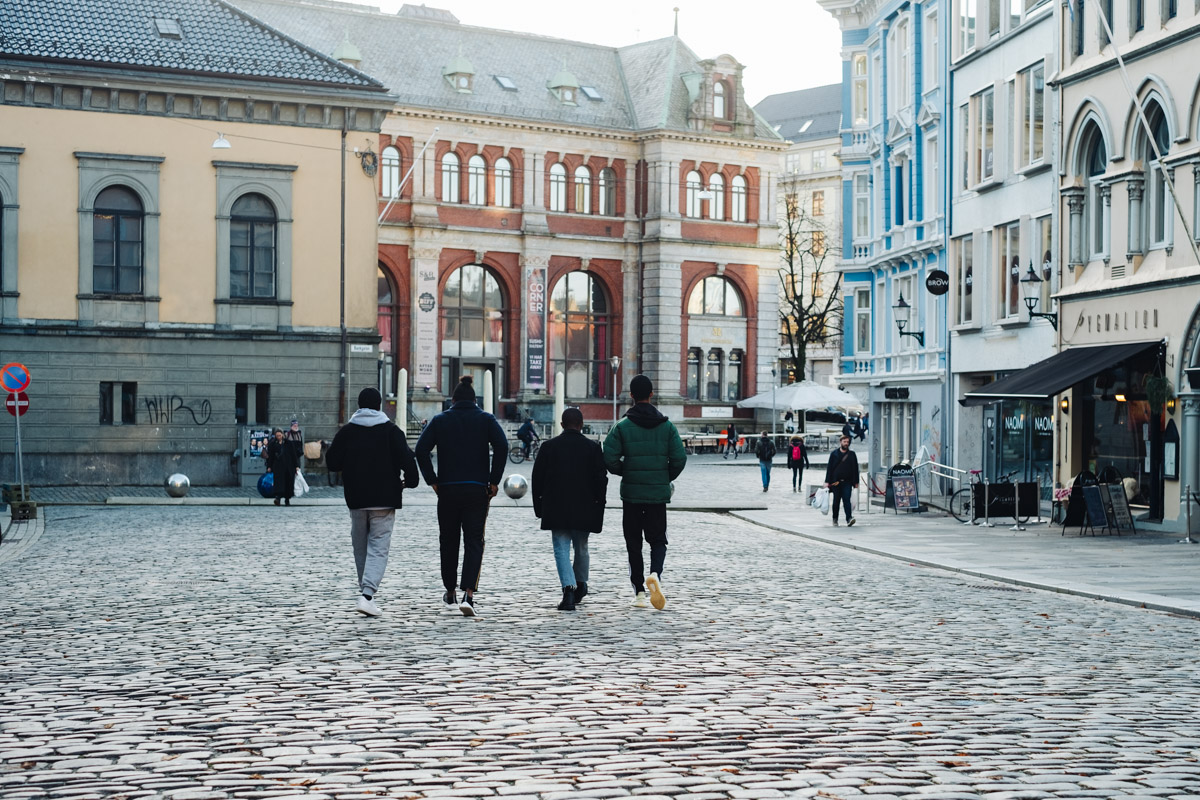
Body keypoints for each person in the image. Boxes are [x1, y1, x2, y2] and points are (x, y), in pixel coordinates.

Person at [415, 376, 508, 617]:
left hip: (447, 489)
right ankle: (468, 593)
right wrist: (494, 480)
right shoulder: (486, 419)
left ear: (453, 400)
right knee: (475, 540)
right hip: (477, 489)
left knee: (448, 540)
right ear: (475, 400)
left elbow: (420, 450)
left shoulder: (440, 420)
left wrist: (432, 480)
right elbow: (502, 446)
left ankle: (449, 591)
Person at [325, 388, 420, 617]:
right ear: (379, 405)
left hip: (356, 499)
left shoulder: (347, 431)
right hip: (384, 499)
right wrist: (411, 482)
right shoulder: (391, 431)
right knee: (378, 548)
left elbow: (332, 462)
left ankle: (366, 594)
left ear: (359, 405)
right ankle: (367, 595)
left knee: (360, 549)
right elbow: (408, 460)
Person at [603, 375, 687, 611]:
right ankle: (655, 574)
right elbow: (680, 458)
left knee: (633, 543)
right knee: (658, 540)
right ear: (652, 394)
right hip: (657, 496)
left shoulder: (622, 427)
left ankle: (639, 591)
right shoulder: (668, 426)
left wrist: (626, 471)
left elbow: (608, 457)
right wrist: (664, 477)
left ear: (631, 396)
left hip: (631, 494)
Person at [531, 407, 608, 612]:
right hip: (585, 507)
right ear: (581, 425)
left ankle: (568, 590)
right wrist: (599, 505)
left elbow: (537, 480)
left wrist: (539, 508)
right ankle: (581, 583)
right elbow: (601, 480)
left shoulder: (548, 447)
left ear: (562, 425)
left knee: (561, 549)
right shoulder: (592, 448)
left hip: (556, 507)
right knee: (581, 547)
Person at [824, 434, 859, 527]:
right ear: (841, 442)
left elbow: (855, 468)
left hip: (847, 482)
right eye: (844, 442)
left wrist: (856, 482)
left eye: (847, 442)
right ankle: (835, 519)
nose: (846, 443)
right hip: (835, 482)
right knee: (836, 501)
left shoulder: (852, 454)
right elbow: (829, 469)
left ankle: (849, 518)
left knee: (847, 500)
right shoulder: (834, 454)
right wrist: (827, 481)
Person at [265, 427, 297, 506]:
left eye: (279, 435)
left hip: (289, 466)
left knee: (288, 483)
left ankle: (287, 500)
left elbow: (294, 455)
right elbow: (271, 456)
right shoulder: (273, 444)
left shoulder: (289, 443)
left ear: (282, 435)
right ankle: (278, 498)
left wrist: (296, 466)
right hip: (278, 467)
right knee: (279, 483)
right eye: (277, 436)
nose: (278, 437)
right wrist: (269, 466)